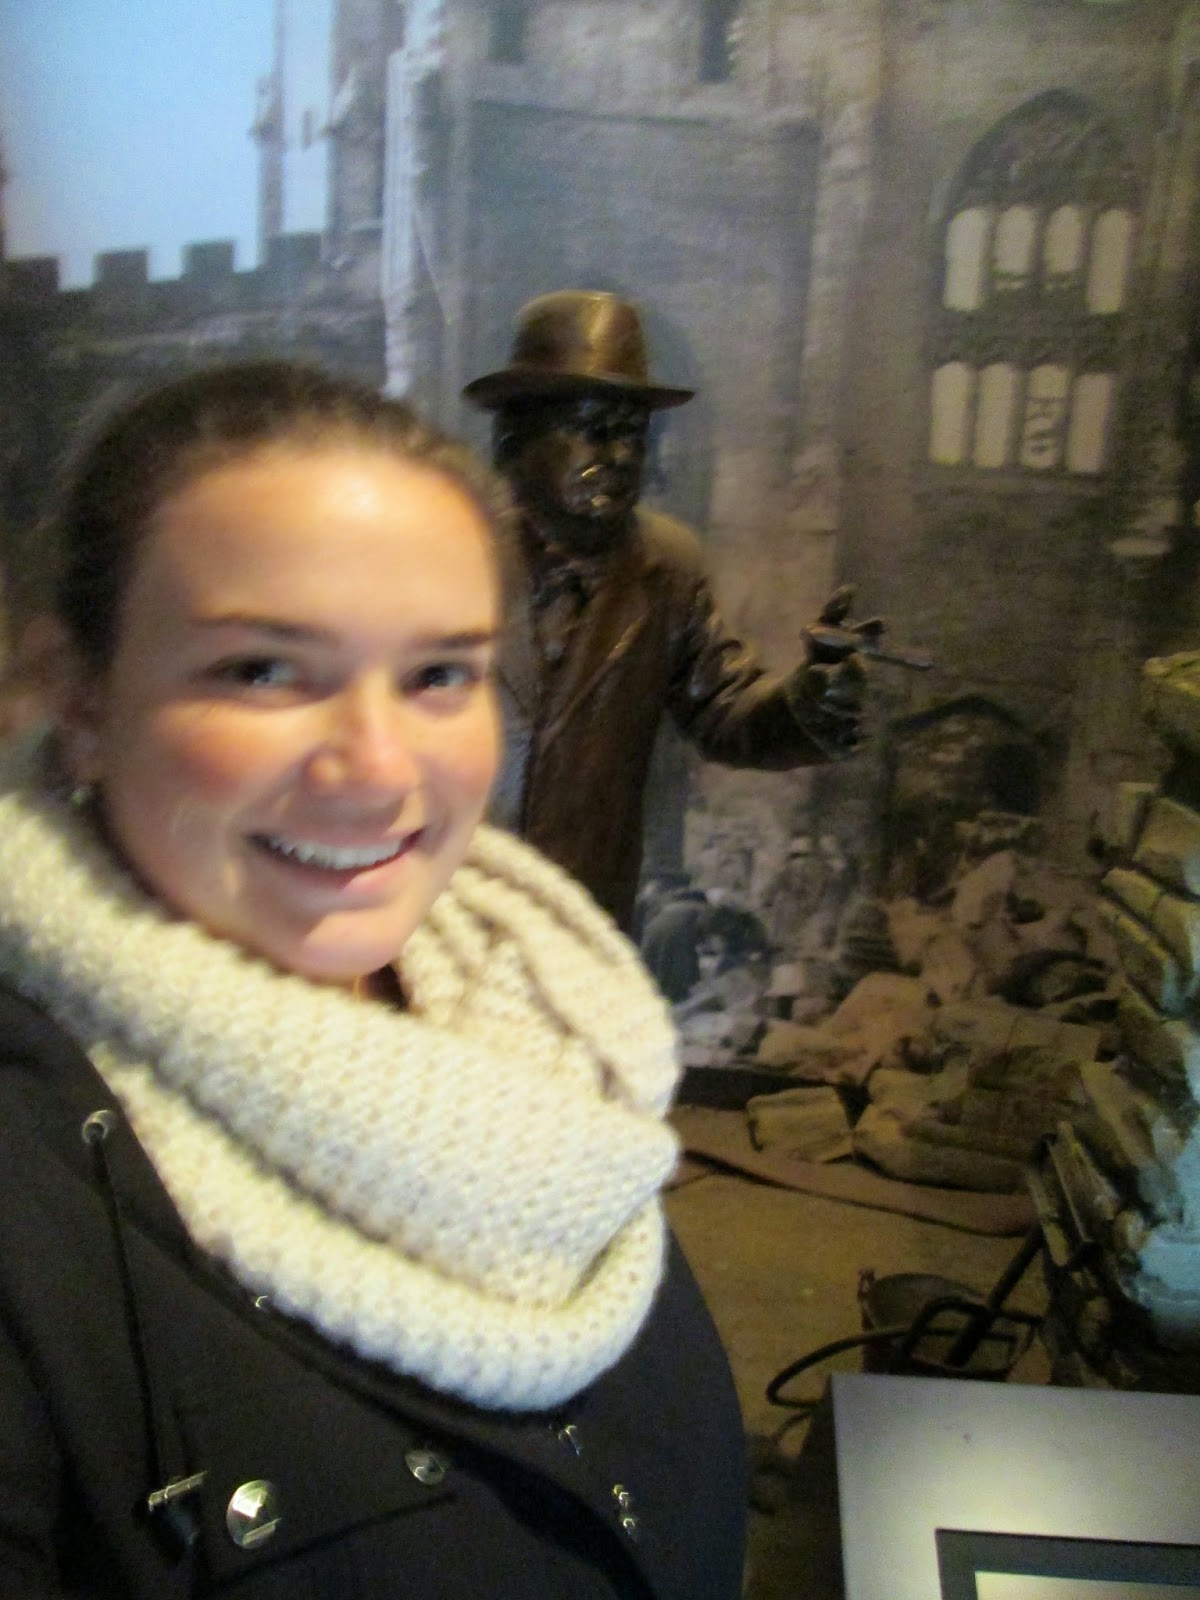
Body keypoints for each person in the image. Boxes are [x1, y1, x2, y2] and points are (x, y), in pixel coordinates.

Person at [0, 361, 747, 1599]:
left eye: (441, 673)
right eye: (262, 669)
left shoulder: (546, 1018)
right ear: (80, 698)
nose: (380, 770)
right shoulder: (30, 1179)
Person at [464, 288, 870, 931]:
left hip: (582, 923)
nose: (620, 456)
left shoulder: (667, 569)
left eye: (634, 435)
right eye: (593, 430)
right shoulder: (442, 552)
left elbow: (726, 709)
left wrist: (809, 703)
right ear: (515, 436)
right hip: (444, 910)